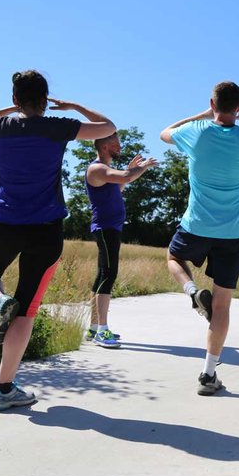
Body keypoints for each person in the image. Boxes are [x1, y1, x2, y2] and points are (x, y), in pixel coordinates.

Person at [0, 70, 116, 411]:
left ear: (16, 99)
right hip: (46, 229)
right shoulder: (58, 126)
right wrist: (74, 106)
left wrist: (9, 109)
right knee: (27, 309)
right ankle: (3, 389)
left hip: (3, 222)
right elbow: (107, 126)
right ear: (46, 100)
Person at [160, 81, 239, 396]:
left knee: (174, 258)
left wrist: (204, 114)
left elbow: (165, 132)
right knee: (222, 304)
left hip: (197, 225)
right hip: (233, 233)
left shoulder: (197, 132)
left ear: (212, 103)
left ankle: (191, 291)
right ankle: (208, 373)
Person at [83, 133, 158, 348]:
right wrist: (141, 167)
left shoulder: (106, 171)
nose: (120, 146)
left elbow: (120, 185)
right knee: (108, 274)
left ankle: (94, 328)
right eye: (116, 143)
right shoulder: (97, 168)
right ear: (105, 146)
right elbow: (125, 177)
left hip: (110, 228)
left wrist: (131, 170)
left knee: (102, 275)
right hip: (105, 228)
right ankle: (102, 331)